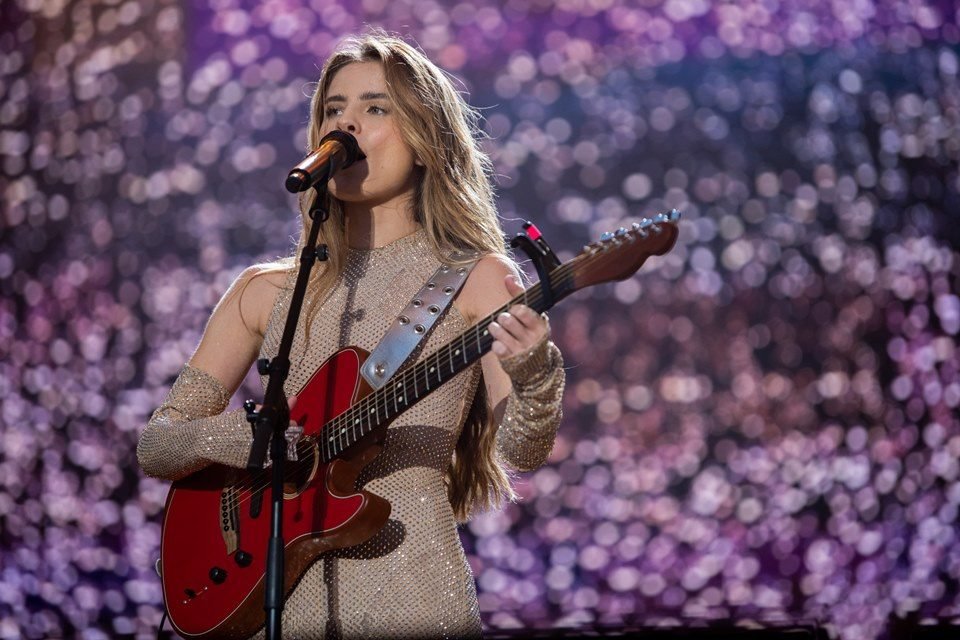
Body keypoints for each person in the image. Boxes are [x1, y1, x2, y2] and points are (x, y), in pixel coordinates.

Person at [137, 30, 565, 639]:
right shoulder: (264, 292)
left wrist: (536, 373)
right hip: (268, 596)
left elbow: (522, 450)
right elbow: (156, 444)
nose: (346, 126)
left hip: (410, 588)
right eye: (333, 110)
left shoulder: (479, 279)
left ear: (425, 139)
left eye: (375, 108)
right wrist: (237, 439)